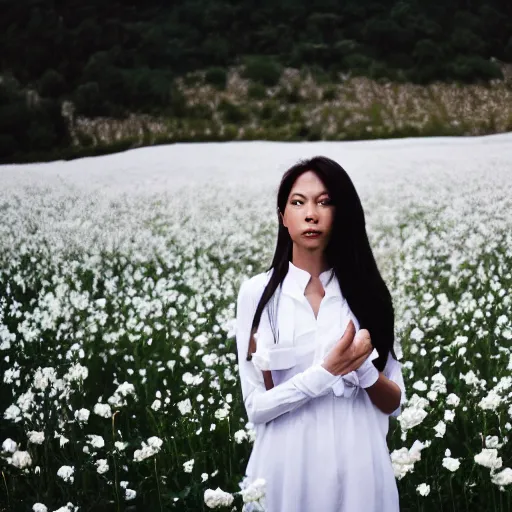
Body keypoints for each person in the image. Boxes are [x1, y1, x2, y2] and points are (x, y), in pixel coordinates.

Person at [234, 156, 407, 512]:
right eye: (298, 202)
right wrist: (327, 372)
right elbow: (256, 408)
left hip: (359, 469)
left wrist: (364, 372)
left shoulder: (368, 294)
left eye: (324, 202)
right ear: (283, 216)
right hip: (286, 471)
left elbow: (394, 402)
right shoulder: (257, 294)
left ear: (341, 213)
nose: (311, 214)